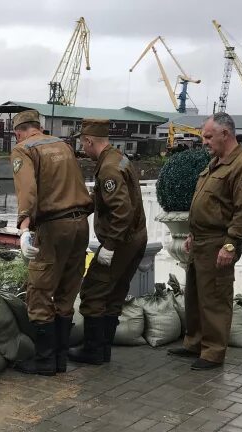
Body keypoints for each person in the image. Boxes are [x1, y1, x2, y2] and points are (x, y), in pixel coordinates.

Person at [168, 112, 242, 370]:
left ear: (225, 134)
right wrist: (193, 234)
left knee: (215, 298)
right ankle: (195, 343)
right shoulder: (217, 162)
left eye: (208, 137)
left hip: (220, 241)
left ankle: (213, 352)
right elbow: (209, 203)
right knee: (196, 296)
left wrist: (231, 244)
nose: (204, 142)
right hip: (202, 240)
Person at [11, 109, 94, 376]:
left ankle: (45, 360)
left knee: (39, 290)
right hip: (80, 224)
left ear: (18, 132)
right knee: (67, 292)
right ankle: (60, 360)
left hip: (54, 226)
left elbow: (27, 189)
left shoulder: (24, 149)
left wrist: (24, 227)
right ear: (39, 126)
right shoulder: (63, 145)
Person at [68, 118, 148, 365]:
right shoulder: (119, 158)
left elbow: (121, 210)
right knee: (114, 294)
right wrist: (81, 209)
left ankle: (93, 350)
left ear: (90, 141)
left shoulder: (108, 168)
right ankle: (103, 350)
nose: (83, 148)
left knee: (92, 292)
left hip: (121, 241)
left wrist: (110, 246)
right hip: (136, 237)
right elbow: (106, 199)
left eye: (83, 143)